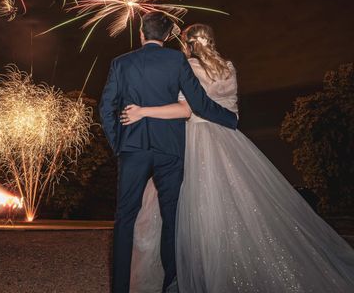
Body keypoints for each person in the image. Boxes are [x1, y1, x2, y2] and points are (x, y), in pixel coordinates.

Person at [123, 23, 354, 292]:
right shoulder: (228, 68)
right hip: (228, 139)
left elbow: (185, 110)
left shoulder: (190, 68)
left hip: (195, 138)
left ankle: (190, 274)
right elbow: (232, 110)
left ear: (188, 44)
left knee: (182, 209)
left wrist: (143, 111)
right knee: (235, 206)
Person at [99, 13, 238, 293]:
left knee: (125, 217)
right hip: (170, 149)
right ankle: (171, 284)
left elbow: (106, 108)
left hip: (133, 148)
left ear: (141, 33)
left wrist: (119, 145)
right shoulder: (177, 61)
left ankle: (120, 288)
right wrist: (230, 119)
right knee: (172, 216)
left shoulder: (121, 63)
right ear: (165, 36)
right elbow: (198, 102)